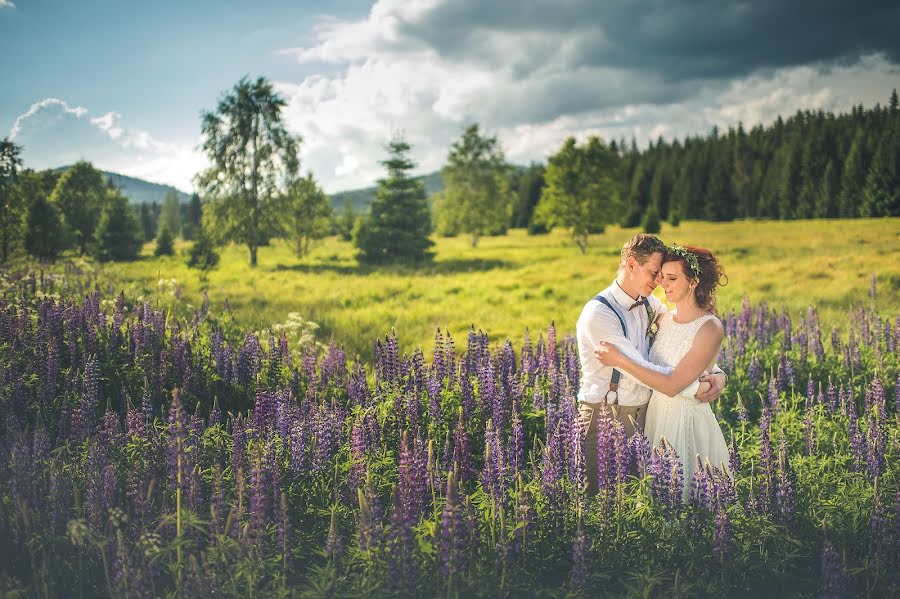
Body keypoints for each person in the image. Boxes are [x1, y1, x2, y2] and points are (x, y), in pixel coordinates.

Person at [576, 234, 726, 495]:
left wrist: (716, 373)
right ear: (632, 265)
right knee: (597, 503)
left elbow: (689, 341)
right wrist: (692, 387)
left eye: (666, 276)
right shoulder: (599, 314)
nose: (659, 282)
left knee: (642, 503)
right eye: (655, 273)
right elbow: (635, 366)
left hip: (646, 419)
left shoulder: (651, 306)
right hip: (606, 415)